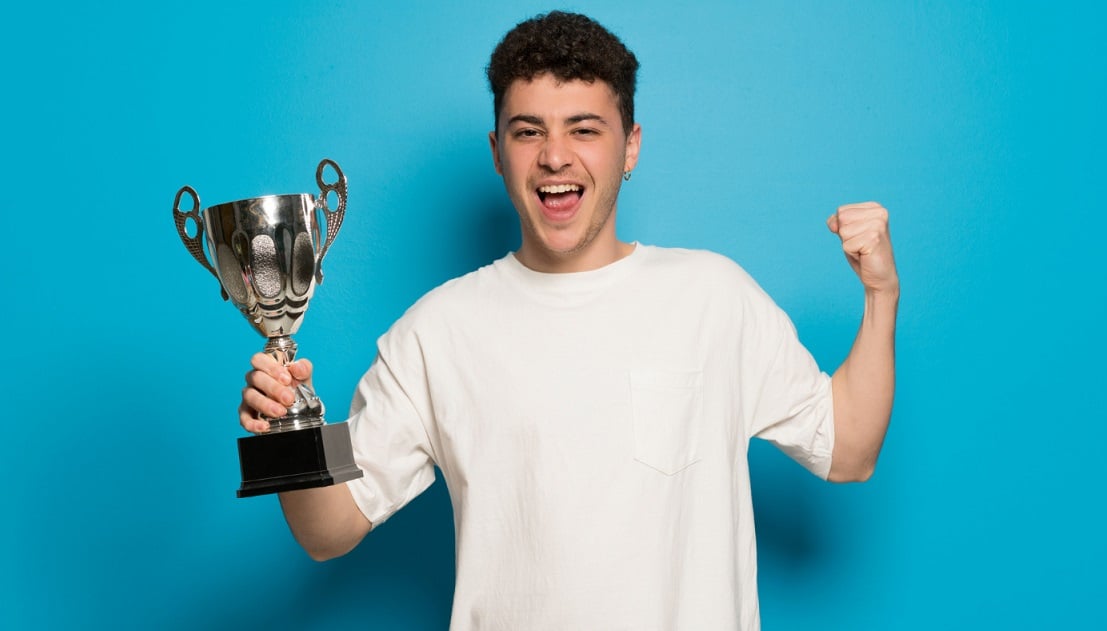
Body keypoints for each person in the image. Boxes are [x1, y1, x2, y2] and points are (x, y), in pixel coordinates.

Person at [239, 10, 897, 630]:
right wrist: (286, 428)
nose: (555, 156)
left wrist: (879, 296)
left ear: (629, 145)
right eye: (529, 131)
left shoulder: (713, 296)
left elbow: (849, 449)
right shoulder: (436, 332)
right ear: (498, 151)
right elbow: (329, 530)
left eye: (584, 129)